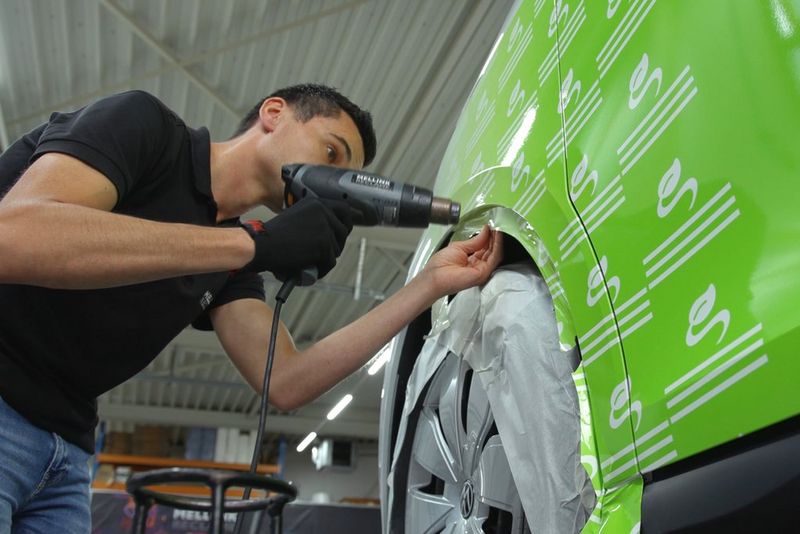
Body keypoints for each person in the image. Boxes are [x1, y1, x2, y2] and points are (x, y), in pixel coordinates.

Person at [0, 84, 502, 532]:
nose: (334, 182)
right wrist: (251, 244)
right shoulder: (143, 126)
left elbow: (285, 380)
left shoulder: (232, 258)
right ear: (274, 112)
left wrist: (427, 285)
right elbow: (15, 236)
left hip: (66, 453)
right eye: (331, 151)